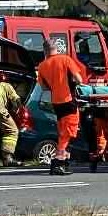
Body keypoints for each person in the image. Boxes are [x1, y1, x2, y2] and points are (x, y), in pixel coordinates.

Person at [36, 36, 87, 175]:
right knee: (68, 133)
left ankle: (64, 161)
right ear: (56, 48)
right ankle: (59, 161)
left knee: (63, 132)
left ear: (45, 50)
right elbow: (79, 79)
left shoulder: (42, 66)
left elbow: (44, 87)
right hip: (68, 100)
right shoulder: (65, 59)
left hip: (56, 102)